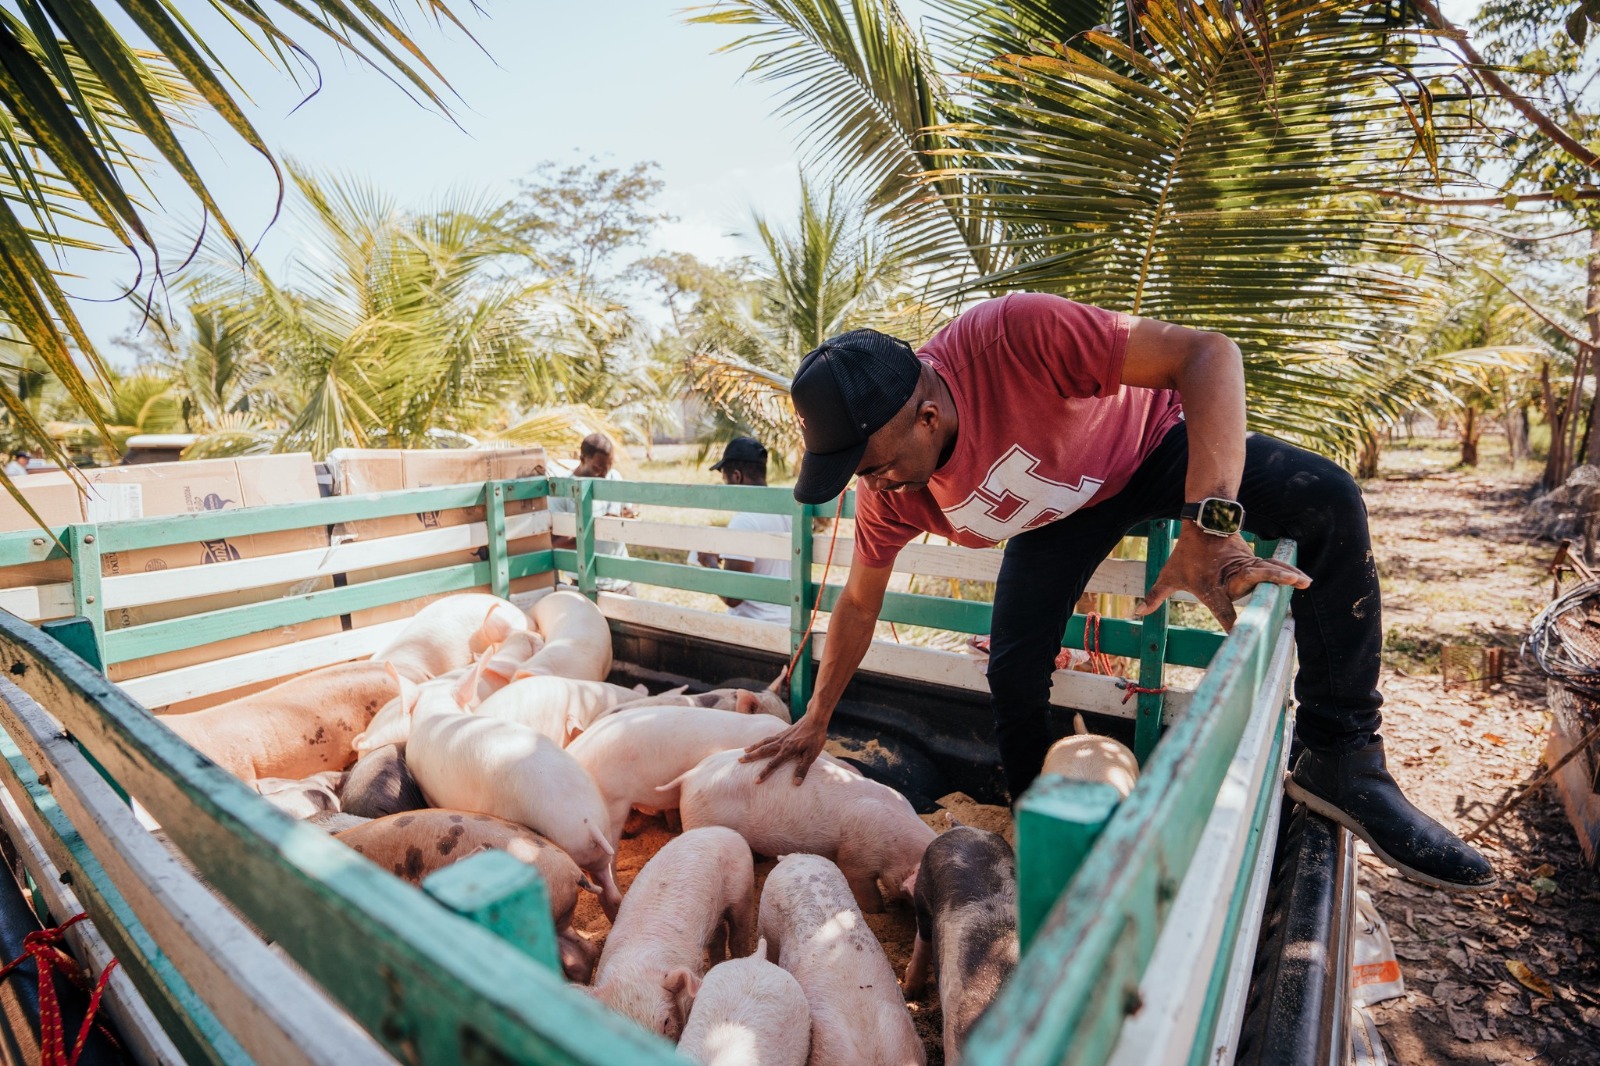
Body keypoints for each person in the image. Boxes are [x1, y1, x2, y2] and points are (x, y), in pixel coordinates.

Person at [742, 292, 1495, 893]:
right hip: (1060, 512)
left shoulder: (1013, 335)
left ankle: (1343, 755)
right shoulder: (892, 493)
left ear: (928, 416)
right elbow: (858, 604)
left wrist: (1210, 521)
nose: (872, 486)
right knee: (1012, 670)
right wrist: (817, 715)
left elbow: (1209, 355)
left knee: (1326, 498)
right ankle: (1043, 829)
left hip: (1150, 448)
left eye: (870, 465)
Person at [692, 436, 791, 624]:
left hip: (755, 626)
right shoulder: (787, 510)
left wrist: (710, 562)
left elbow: (733, 597)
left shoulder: (744, 520)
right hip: (789, 622)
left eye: (725, 479)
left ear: (737, 476)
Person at [548, 433, 637, 594]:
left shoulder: (614, 477)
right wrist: (597, 528)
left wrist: (629, 516)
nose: (604, 474)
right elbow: (556, 541)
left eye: (608, 466)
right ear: (582, 459)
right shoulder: (563, 488)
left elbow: (626, 512)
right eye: (598, 468)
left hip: (622, 580)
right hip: (585, 583)